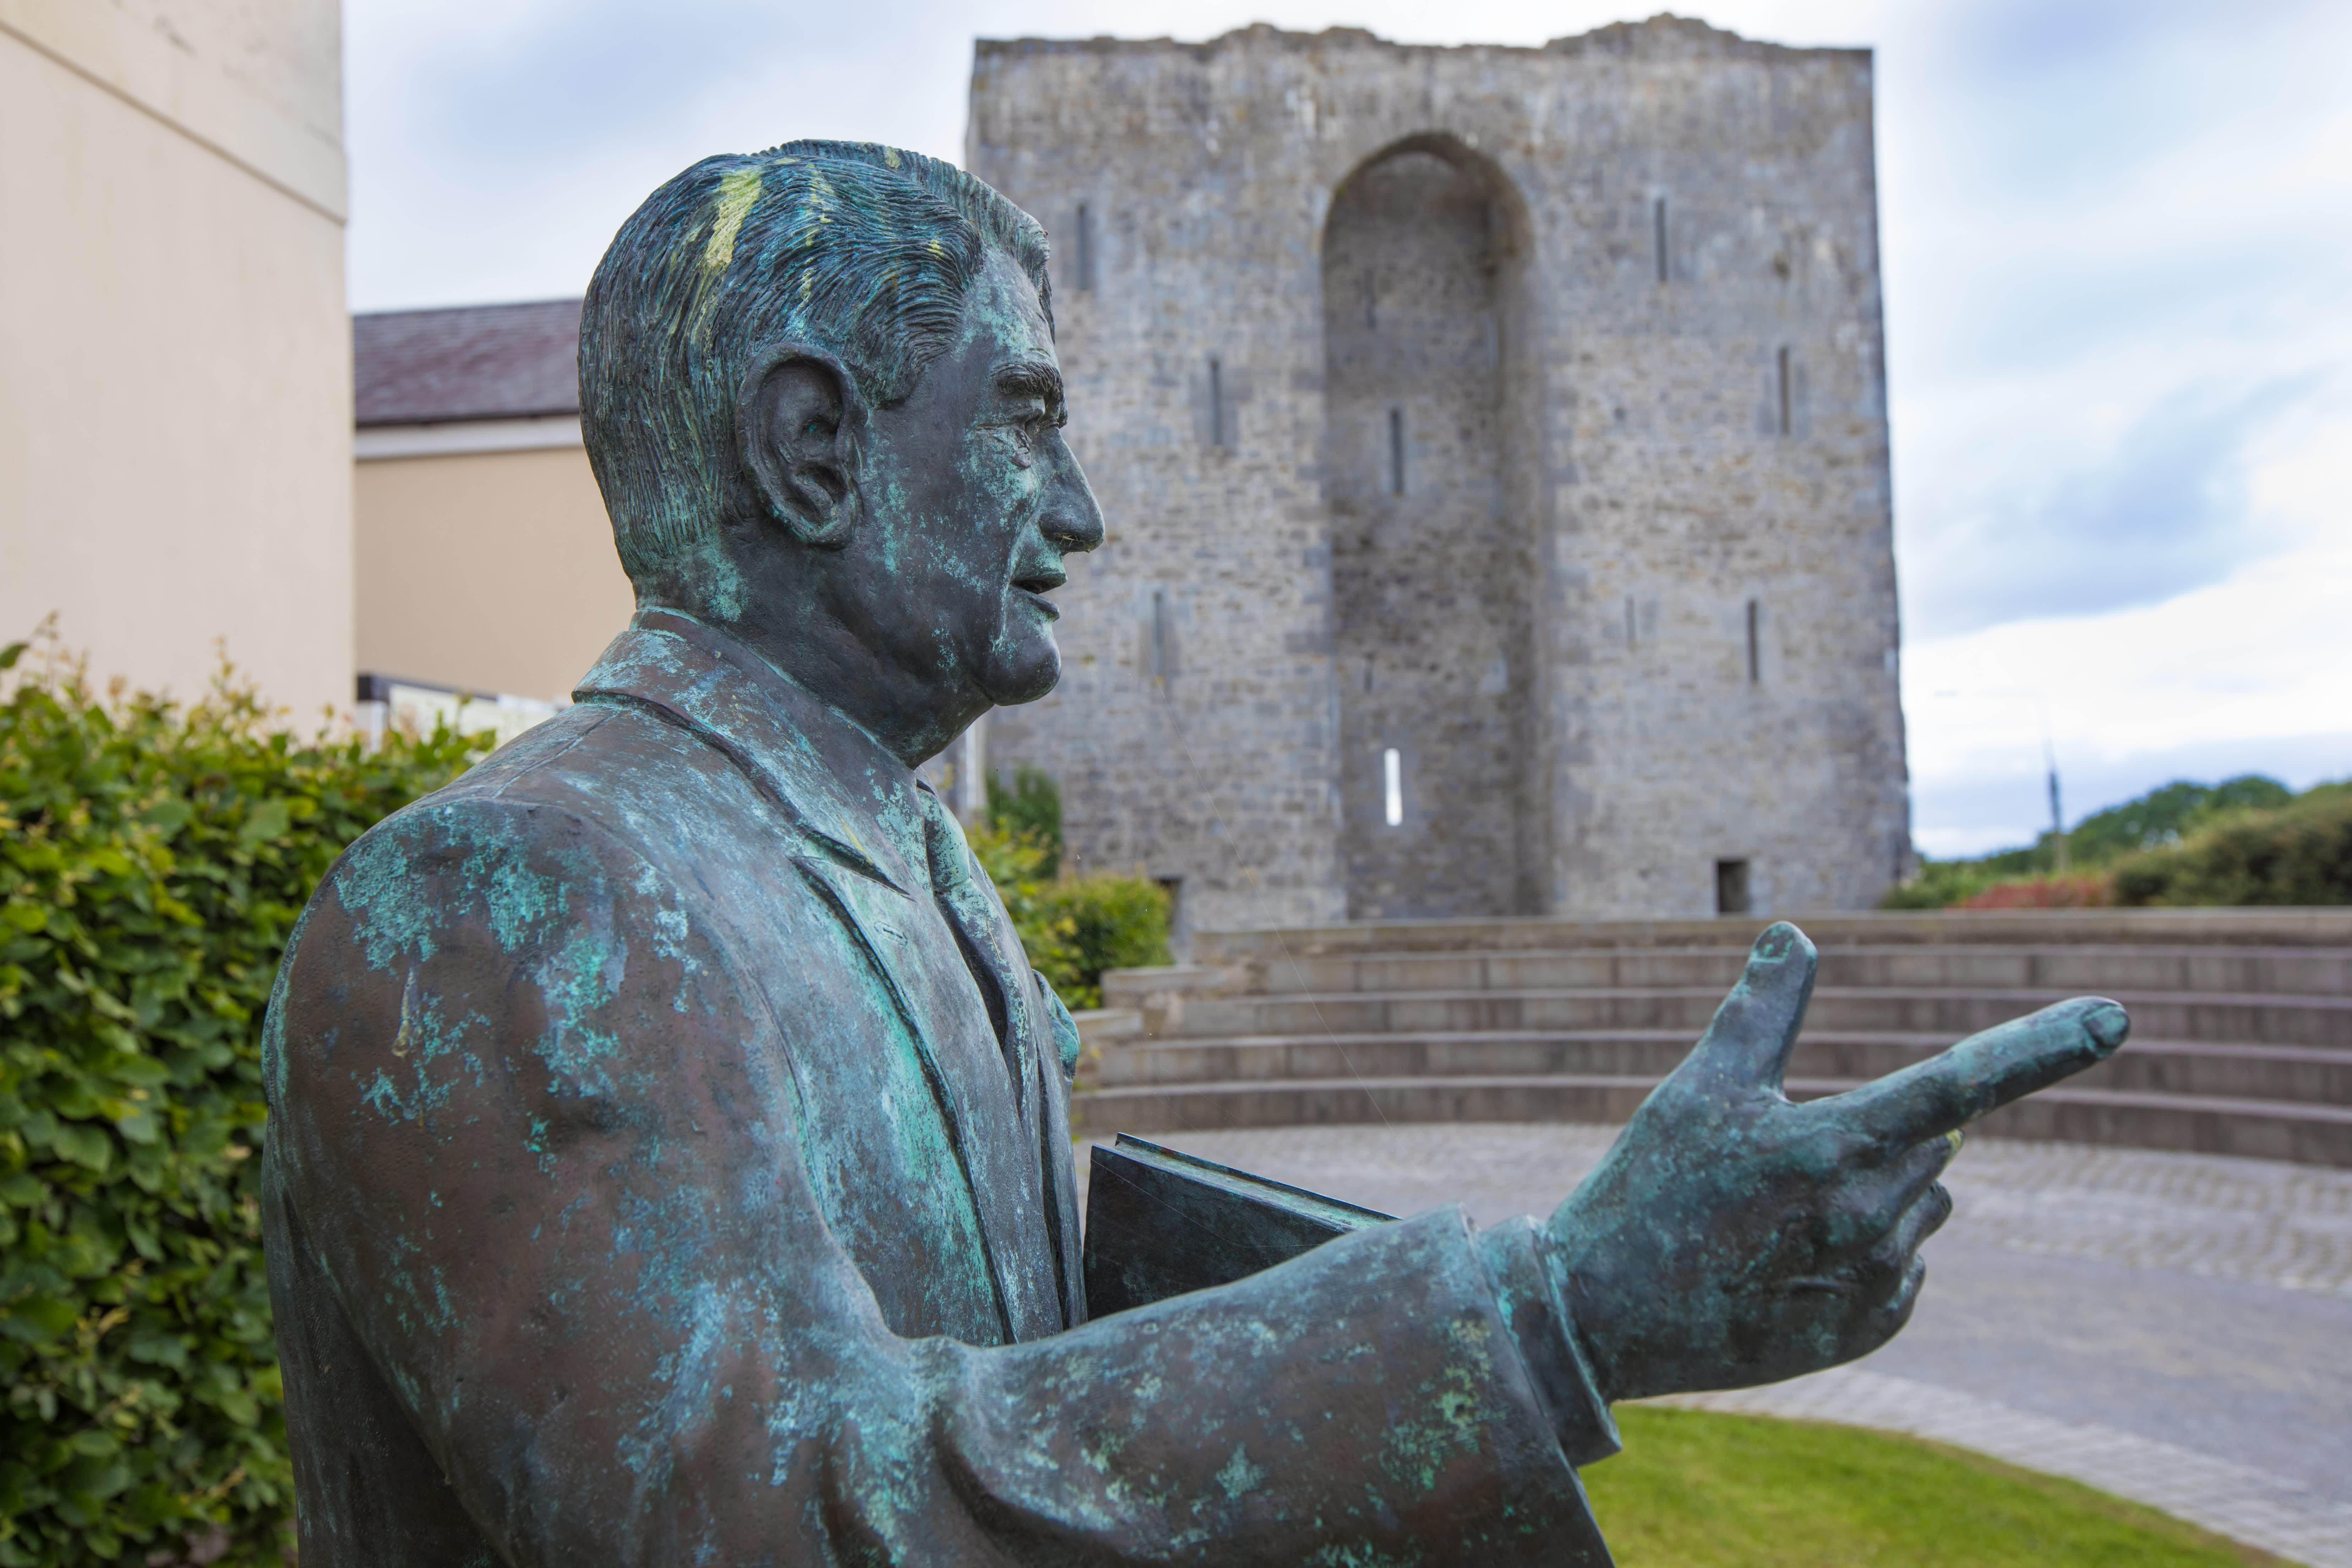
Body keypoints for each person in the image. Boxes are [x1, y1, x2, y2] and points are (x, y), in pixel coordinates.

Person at [261, 141, 2128, 1565]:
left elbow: (1016, 1356)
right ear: (812, 444)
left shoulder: (906, 852)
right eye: (1024, 420)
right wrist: (1547, 1309)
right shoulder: (511, 898)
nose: (1079, 514)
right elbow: (760, 1503)